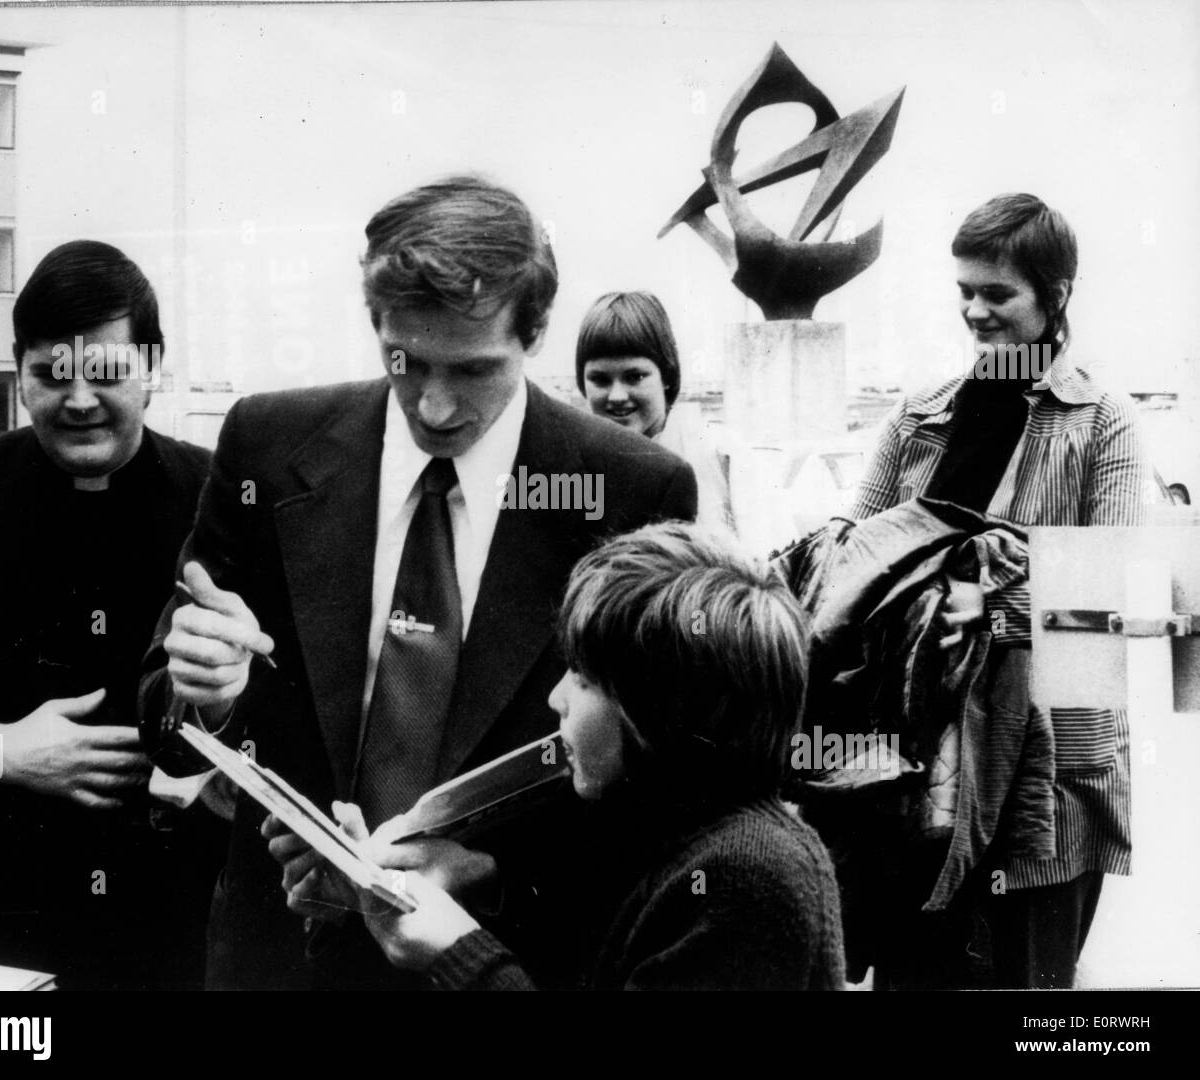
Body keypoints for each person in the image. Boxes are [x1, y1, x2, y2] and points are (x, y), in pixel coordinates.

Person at [138, 175, 698, 989]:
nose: (434, 407)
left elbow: (651, 789)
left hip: (501, 958)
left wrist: (495, 877)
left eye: (472, 370)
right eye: (407, 364)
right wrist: (206, 696)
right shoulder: (269, 444)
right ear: (376, 327)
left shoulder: (631, 489)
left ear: (536, 331)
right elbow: (161, 708)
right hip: (281, 957)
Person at [270, 522, 844, 989]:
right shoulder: (667, 827)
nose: (556, 698)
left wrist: (459, 954)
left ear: (661, 710)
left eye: (584, 678)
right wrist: (469, 880)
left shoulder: (747, 879)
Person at [0, 241, 225, 989]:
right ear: (19, 376)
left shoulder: (213, 496)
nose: (79, 400)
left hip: (161, 929)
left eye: (107, 373)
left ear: (151, 367)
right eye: (51, 375)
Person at [848, 193, 1149, 988]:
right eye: (964, 293)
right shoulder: (918, 420)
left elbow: (1103, 599)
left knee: (1029, 995)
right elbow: (848, 565)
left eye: (996, 293)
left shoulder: (1102, 424)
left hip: (1045, 780)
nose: (975, 312)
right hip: (918, 770)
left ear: (1055, 295)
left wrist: (973, 598)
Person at [575, 291, 734, 531]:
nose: (617, 396)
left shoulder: (720, 454)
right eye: (600, 379)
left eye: (634, 377)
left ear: (667, 376)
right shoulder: (572, 469)